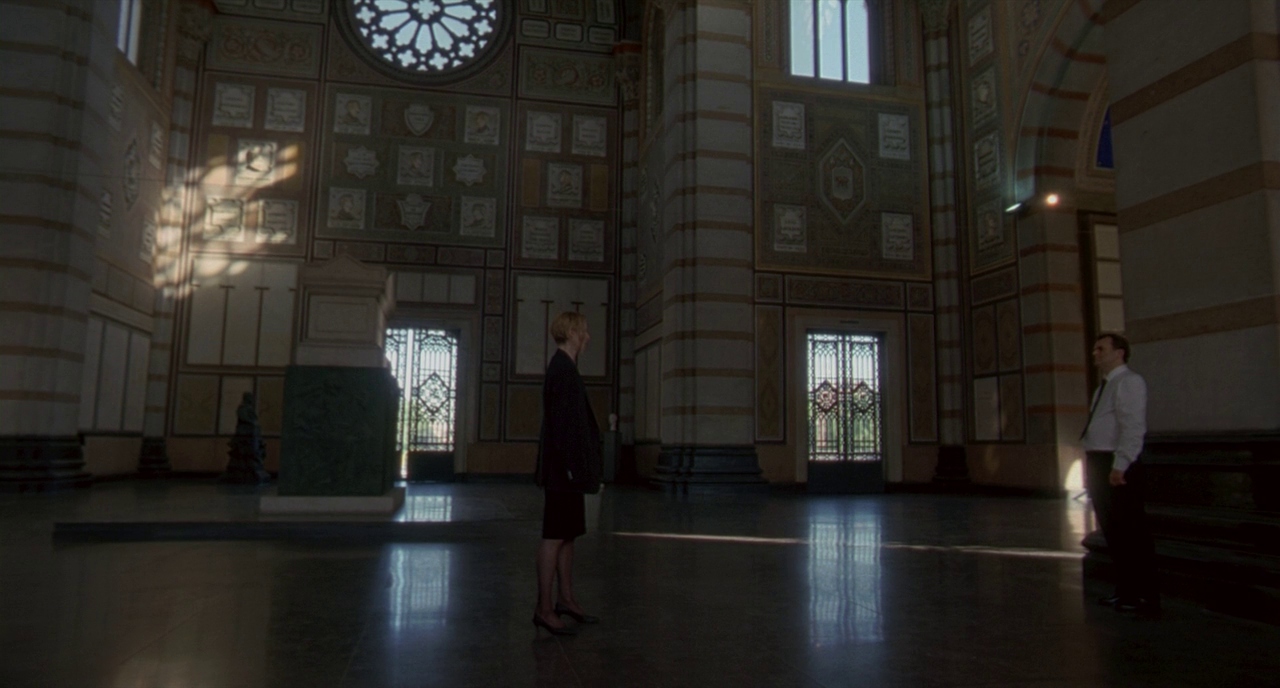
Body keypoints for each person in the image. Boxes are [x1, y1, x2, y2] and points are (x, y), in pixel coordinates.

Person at [532, 311, 602, 635]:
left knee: (568, 534)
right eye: (584, 331)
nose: (587, 337)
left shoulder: (566, 368)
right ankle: (544, 608)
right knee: (554, 536)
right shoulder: (562, 370)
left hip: (568, 471)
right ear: (572, 333)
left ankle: (566, 599)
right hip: (563, 471)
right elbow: (563, 427)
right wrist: (574, 468)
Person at [1081, 333, 1160, 613]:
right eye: (1095, 349)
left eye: (1101, 349)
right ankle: (1126, 590)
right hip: (1100, 460)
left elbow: (1133, 426)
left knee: (1130, 530)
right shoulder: (1104, 386)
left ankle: (1143, 594)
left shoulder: (1129, 382)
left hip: (1115, 463)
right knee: (1114, 531)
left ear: (1119, 353)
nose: (1095, 353)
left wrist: (1121, 464)